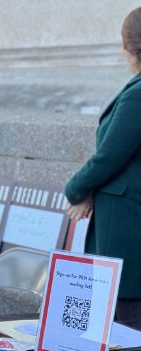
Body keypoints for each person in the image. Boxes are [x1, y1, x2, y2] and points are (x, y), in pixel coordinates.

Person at [65, 7, 141, 330]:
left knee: (126, 332)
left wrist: (77, 189)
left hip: (127, 233)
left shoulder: (137, 95)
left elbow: (110, 156)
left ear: (125, 47)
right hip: (125, 228)